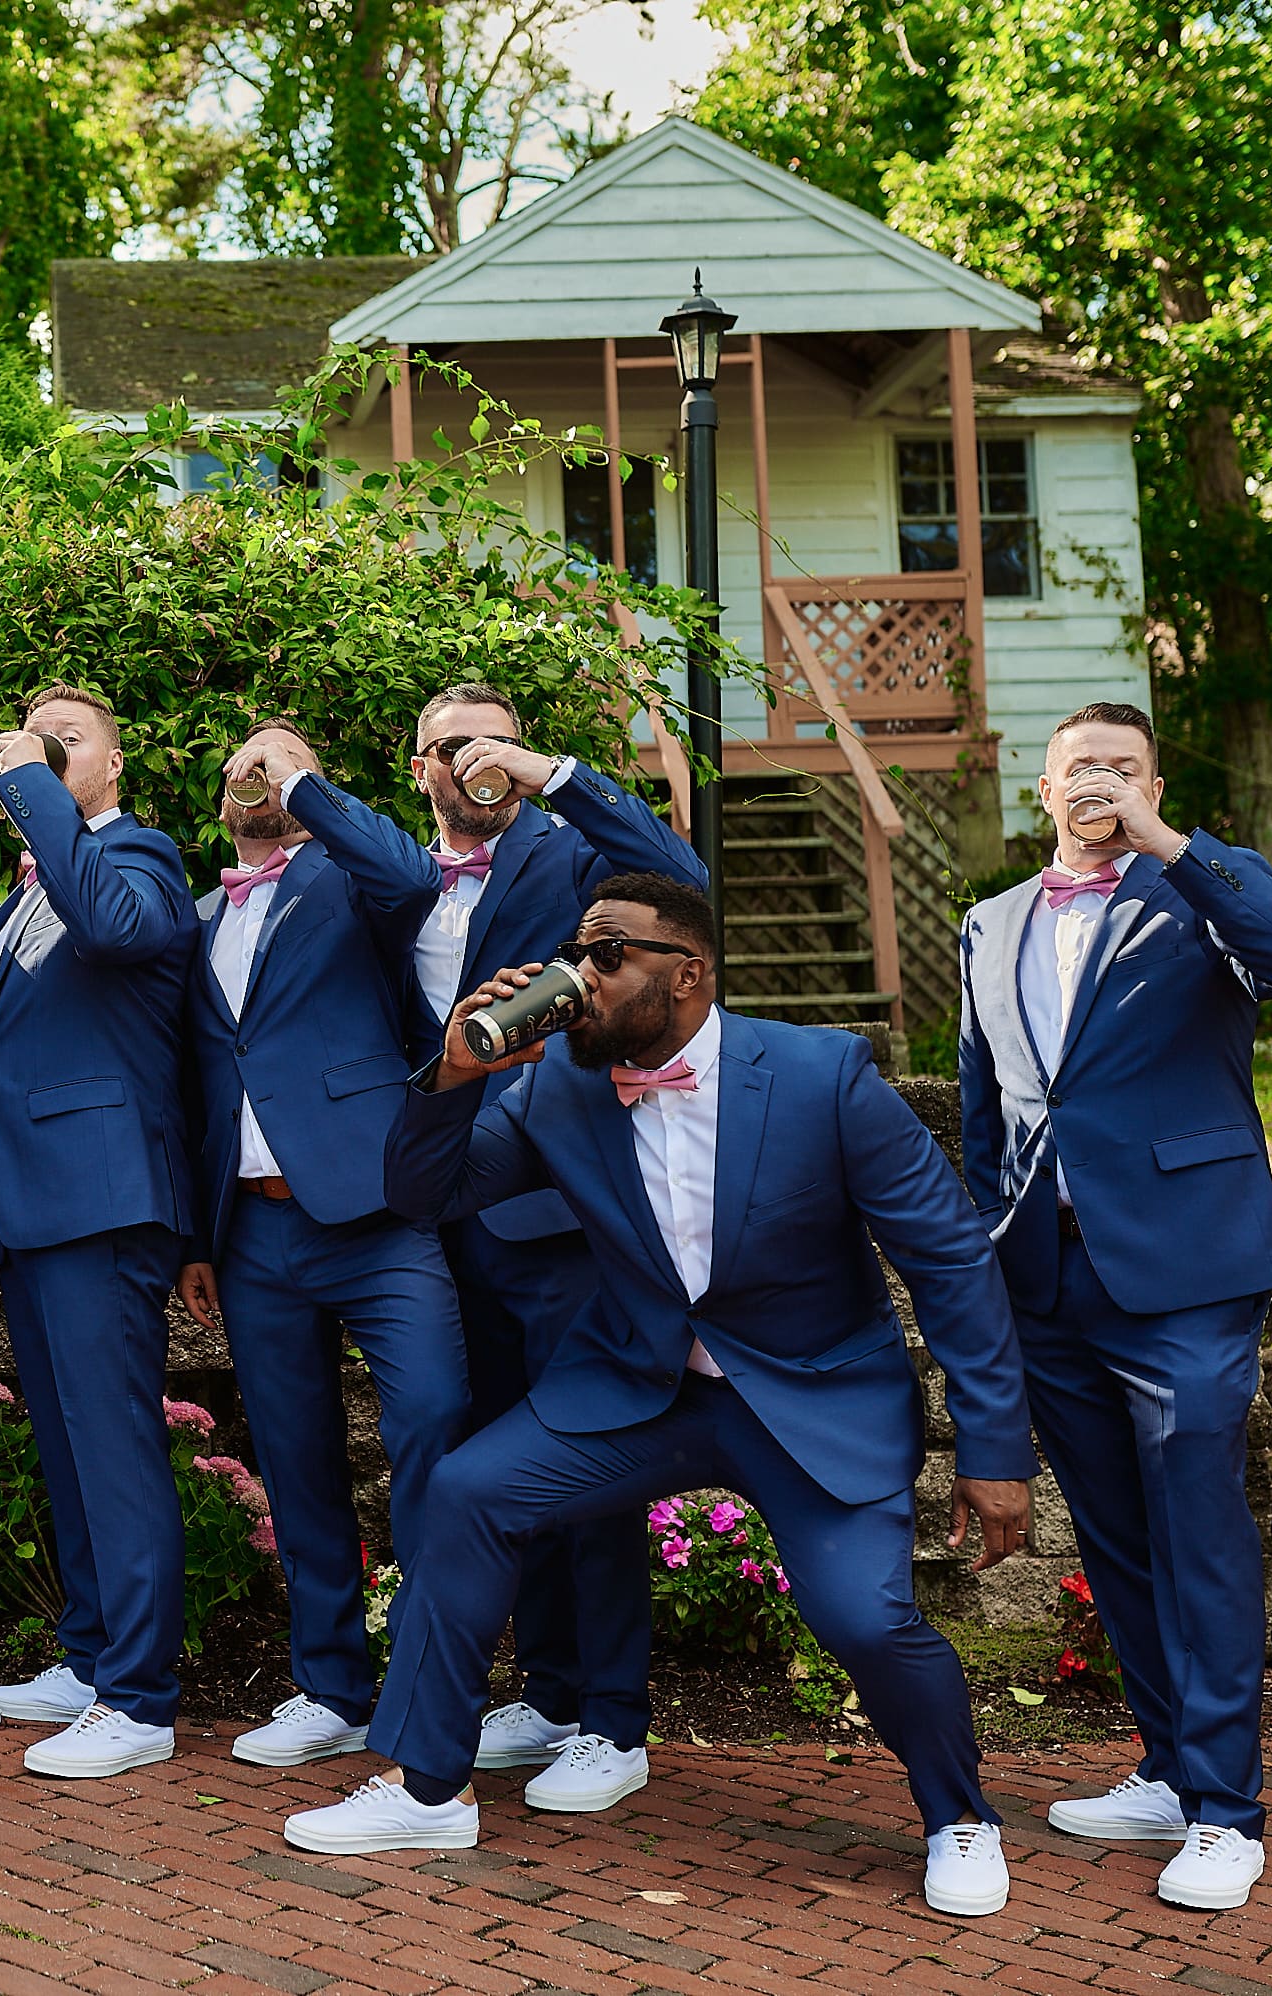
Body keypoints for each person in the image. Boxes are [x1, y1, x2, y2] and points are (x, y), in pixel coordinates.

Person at [289, 873, 1038, 1924]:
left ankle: (960, 1816)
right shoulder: (557, 1090)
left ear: (686, 973)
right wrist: (455, 1074)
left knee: (863, 1616)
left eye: (606, 954)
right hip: (642, 1388)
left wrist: (996, 1449)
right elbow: (424, 1195)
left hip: (812, 1396)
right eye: (574, 950)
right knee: (467, 1490)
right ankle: (426, 1787)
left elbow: (950, 1257)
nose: (577, 974)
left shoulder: (823, 1076)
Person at [959, 702, 1272, 1912]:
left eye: (1124, 768)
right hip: (1049, 1274)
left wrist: (1173, 844)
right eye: (1081, 767)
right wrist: (985, 1257)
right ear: (1044, 786)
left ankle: (1229, 1810)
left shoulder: (1206, 894)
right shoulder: (990, 921)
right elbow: (992, 1114)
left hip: (1187, 1273)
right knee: (1117, 1538)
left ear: (1156, 783)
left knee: (1197, 1529)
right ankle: (1173, 1767)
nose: (1101, 783)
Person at [368, 683, 709, 1800]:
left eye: (488, 743)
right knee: (500, 1470)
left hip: (556, 1210)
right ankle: (553, 1690)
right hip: (442, 1208)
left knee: (590, 1461)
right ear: (417, 767)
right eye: (448, 747)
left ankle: (613, 1720)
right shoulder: (392, 875)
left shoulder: (564, 857)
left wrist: (551, 774)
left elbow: (683, 884)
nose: (467, 759)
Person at [171, 719, 464, 1770]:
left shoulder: (352, 881)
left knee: (431, 1428)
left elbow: (406, 869)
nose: (252, 776)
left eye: (274, 759)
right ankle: (330, 1684)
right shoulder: (200, 914)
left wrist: (301, 784)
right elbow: (198, 1086)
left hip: (376, 1214)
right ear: (216, 802)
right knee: (295, 1463)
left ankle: (437, 1680)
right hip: (252, 1231)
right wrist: (200, 1236)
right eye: (239, 767)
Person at [0, 684, 200, 1777]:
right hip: (33, 1208)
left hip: (105, 1201)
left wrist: (26, 781)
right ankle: (95, 1652)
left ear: (113, 766)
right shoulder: (24, 888)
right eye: (28, 735)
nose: (44, 745)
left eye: (68, 737)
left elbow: (112, 927)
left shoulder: (142, 858)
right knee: (67, 1449)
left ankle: (142, 1699)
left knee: (112, 1450)